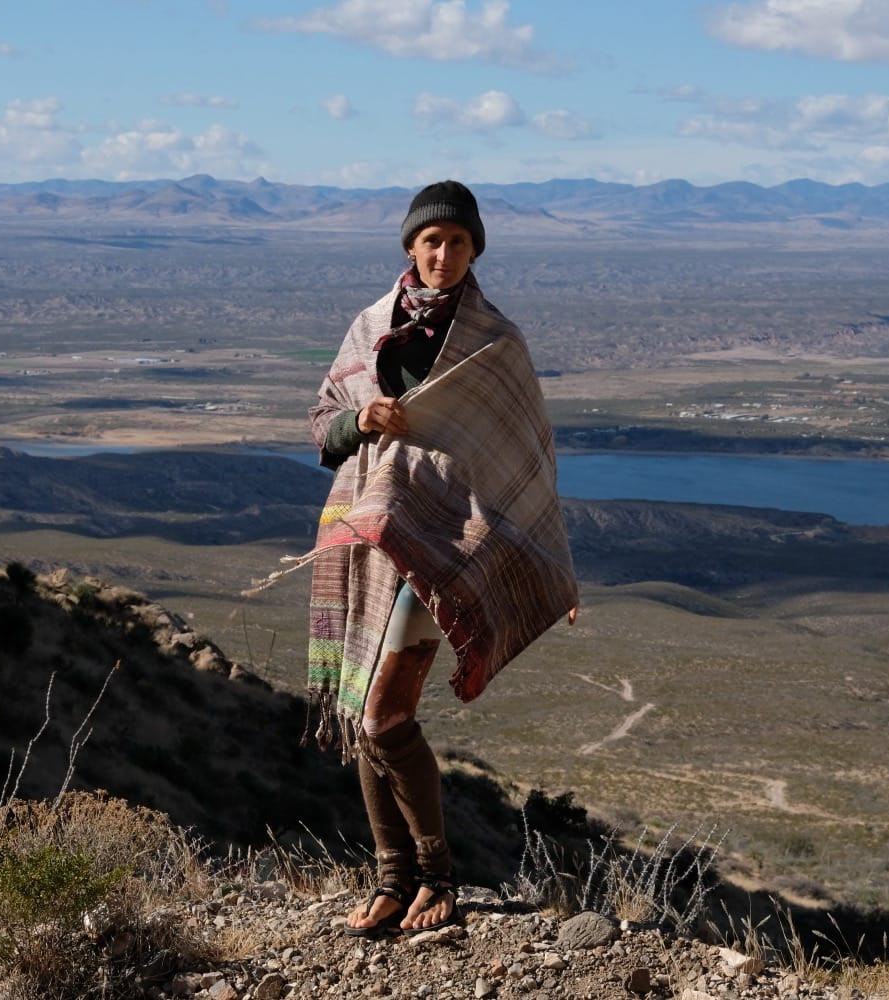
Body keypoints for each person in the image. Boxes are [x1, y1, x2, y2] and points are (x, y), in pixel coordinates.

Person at [302, 180, 578, 937]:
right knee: (364, 717)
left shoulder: (495, 344)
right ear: (410, 247)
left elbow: (528, 461)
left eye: (459, 243)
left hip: (452, 548)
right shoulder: (371, 326)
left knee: (386, 711)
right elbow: (321, 426)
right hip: (371, 539)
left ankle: (438, 877)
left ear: (475, 250)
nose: (445, 255)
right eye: (432, 241)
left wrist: (551, 560)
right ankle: (393, 881)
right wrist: (361, 419)